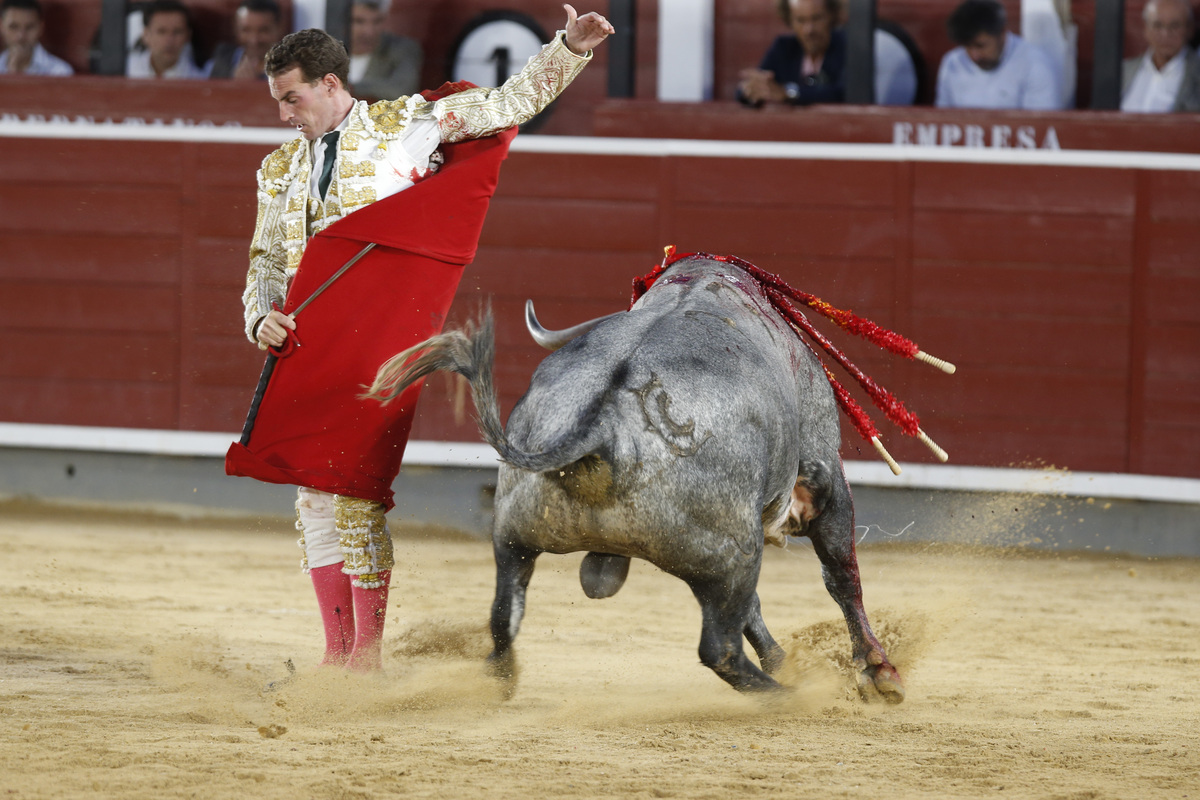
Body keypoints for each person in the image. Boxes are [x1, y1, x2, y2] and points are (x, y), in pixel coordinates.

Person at [233, 5, 613, 675]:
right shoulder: (278, 170)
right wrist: (259, 314)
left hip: (380, 345)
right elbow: (266, 262)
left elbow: (507, 104)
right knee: (315, 496)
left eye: (292, 98)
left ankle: (367, 657)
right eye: (277, 101)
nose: (285, 114)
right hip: (307, 345)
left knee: (355, 492)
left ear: (329, 84)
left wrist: (569, 49)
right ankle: (336, 654)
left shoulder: (405, 127)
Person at [737, 0, 918, 107]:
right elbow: (752, 88)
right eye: (801, 20)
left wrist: (789, 93)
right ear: (789, 21)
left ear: (832, 16)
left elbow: (845, 94)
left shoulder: (849, 45)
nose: (809, 29)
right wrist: (750, 90)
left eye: (816, 19)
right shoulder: (784, 47)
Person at [935, 0, 1064, 110]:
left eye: (981, 46)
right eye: (967, 47)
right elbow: (943, 120)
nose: (974, 56)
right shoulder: (952, 62)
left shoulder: (1035, 65)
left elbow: (1041, 126)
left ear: (1002, 34)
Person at [1121, 0, 1200, 113]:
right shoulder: (1123, 71)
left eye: (1174, 26)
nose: (1165, 34)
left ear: (1189, 29)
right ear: (1146, 28)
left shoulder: (1196, 73)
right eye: (1157, 25)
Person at [347, 0, 422, 101]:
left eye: (377, 21)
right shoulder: (330, 49)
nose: (369, 32)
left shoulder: (401, 48)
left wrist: (350, 88)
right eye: (359, 21)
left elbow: (402, 91)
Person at [126, 0, 204, 79]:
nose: (169, 40)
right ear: (146, 35)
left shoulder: (199, 80)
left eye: (177, 32)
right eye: (161, 32)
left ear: (188, 36)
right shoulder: (125, 72)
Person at [207, 0, 282, 80]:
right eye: (246, 30)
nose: (254, 40)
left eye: (263, 31)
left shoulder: (291, 67)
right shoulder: (222, 60)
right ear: (236, 29)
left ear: (278, 29)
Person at [0, 0, 73, 75]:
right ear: (1, 26)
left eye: (29, 27)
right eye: (13, 27)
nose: (21, 36)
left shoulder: (59, 71)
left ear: (41, 27)